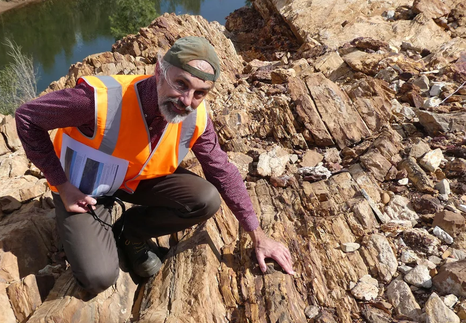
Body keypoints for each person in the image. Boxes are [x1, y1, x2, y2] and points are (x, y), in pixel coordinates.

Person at [16, 36, 294, 295]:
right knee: (98, 276)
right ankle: (92, 232)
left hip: (134, 181)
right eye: (181, 84)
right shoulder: (98, 101)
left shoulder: (196, 117)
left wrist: (257, 234)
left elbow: (221, 169)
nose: (187, 101)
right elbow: (27, 118)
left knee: (205, 199)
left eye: (199, 93)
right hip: (83, 189)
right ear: (159, 71)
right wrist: (63, 186)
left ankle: (131, 233)